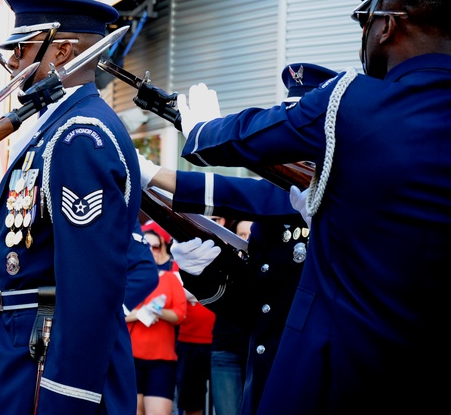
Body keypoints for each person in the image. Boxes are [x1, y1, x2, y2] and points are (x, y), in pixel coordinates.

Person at [175, 0, 451, 413]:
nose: (364, 33)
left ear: (387, 26)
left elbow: (243, 137)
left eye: (364, 19)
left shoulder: (348, 101)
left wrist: (199, 131)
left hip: (332, 376)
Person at [141, 62, 338, 415]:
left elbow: (254, 195)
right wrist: (205, 275)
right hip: (267, 385)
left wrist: (162, 173)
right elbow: (253, 310)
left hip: (321, 385)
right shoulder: (273, 218)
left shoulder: (343, 196)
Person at [0, 0, 141, 415]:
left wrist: (66, 397)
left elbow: (91, 286)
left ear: (63, 50)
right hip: (26, 347)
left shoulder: (78, 136)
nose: (14, 62)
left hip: (46, 361)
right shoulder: (56, 128)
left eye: (22, 48)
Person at [126, 230, 188, 415]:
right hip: (131, 356)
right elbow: (113, 313)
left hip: (161, 359)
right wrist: (139, 314)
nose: (151, 250)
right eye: (147, 246)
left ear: (162, 249)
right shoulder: (128, 278)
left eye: (156, 246)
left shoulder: (170, 279)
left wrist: (158, 311)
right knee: (132, 410)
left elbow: (180, 314)